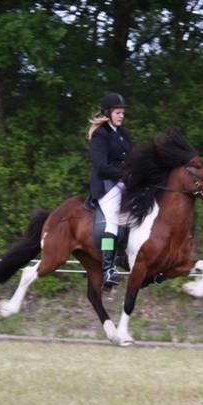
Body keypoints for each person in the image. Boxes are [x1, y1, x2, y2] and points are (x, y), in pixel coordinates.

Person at [87, 92, 133, 288]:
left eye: (122, 113)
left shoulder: (124, 134)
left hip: (124, 182)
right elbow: (101, 165)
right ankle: (107, 268)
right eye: (117, 112)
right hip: (107, 185)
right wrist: (124, 173)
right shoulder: (100, 135)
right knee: (113, 221)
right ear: (108, 113)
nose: (121, 116)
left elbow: (134, 156)